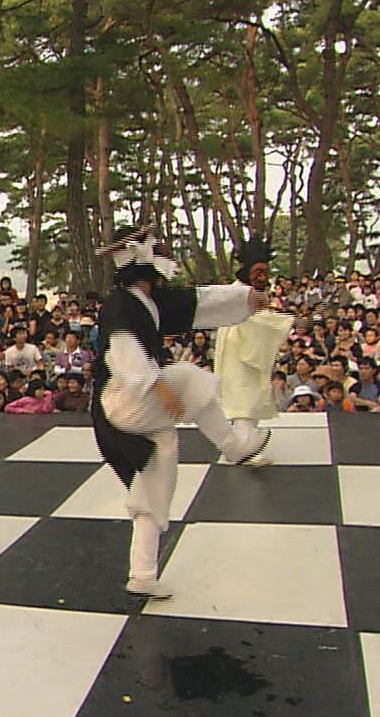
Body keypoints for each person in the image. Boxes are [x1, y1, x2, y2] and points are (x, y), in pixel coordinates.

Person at [91, 226, 270, 599]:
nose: (165, 258)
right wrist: (158, 385)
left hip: (139, 401)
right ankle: (232, 446)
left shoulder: (150, 301)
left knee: (156, 479)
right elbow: (122, 351)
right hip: (124, 398)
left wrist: (246, 298)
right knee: (188, 377)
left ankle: (142, 574)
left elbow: (199, 301)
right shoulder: (121, 305)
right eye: (157, 251)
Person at [212, 238, 294, 467]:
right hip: (238, 352)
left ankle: (241, 446)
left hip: (248, 348)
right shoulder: (239, 293)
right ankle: (243, 449)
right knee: (243, 400)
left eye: (265, 272)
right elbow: (256, 321)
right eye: (257, 272)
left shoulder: (250, 291)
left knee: (249, 398)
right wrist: (289, 322)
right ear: (247, 271)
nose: (262, 276)